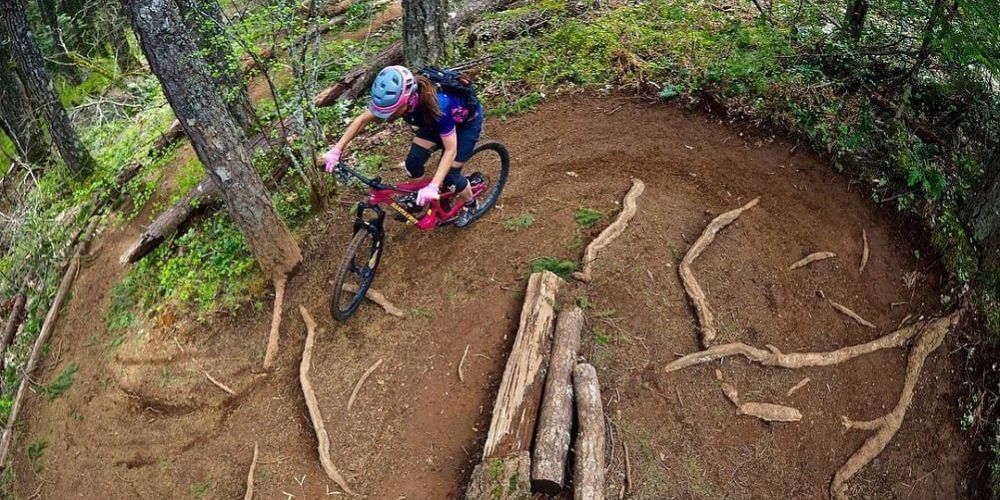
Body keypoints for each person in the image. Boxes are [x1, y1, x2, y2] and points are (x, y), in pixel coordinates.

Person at [324, 65, 485, 227]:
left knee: (451, 176)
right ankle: (422, 197)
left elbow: (451, 150)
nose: (386, 117)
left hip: (464, 126)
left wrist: (433, 186)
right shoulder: (395, 100)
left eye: (391, 112)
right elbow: (361, 120)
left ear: (407, 101)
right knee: (413, 163)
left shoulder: (439, 106)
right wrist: (336, 150)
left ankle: (471, 204)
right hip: (433, 124)